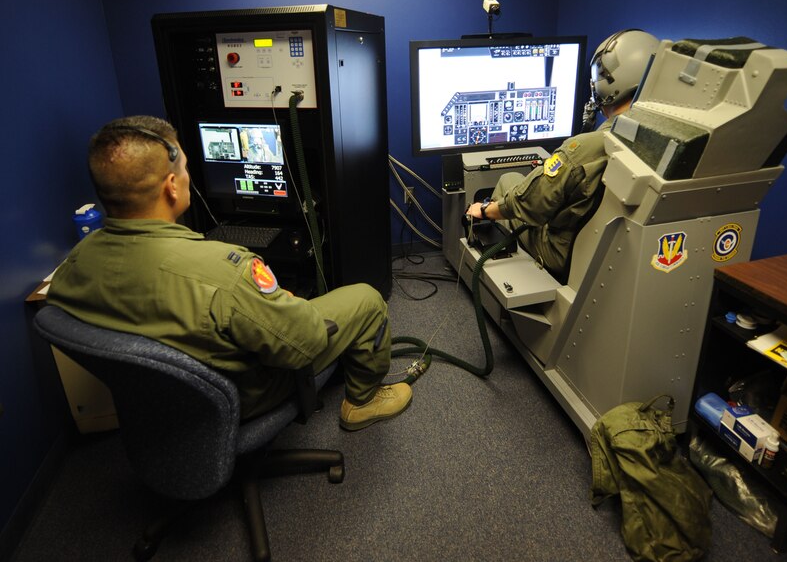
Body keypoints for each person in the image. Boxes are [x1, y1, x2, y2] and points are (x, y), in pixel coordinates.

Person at [47, 115, 411, 431]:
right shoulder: (223, 271)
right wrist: (284, 304)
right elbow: (307, 342)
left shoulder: (74, 266)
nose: (188, 176)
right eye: (185, 168)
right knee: (365, 299)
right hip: (237, 396)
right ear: (171, 187)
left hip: (155, 409)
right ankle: (362, 403)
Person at [466, 29, 660, 280]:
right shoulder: (660, 142)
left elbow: (528, 203)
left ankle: (504, 278)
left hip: (563, 253)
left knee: (509, 182)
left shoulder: (581, 151)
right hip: (621, 252)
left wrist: (483, 210)